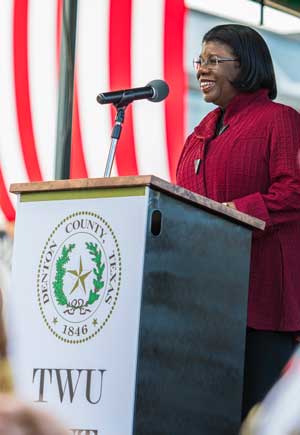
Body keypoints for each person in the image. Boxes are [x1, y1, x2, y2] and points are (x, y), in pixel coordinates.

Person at [176, 24, 300, 419]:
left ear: (245, 66)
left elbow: (294, 190)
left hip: (263, 301)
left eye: (214, 60)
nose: (202, 69)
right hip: (206, 304)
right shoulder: (198, 135)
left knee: (256, 415)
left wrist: (234, 212)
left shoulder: (279, 120)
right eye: (200, 61)